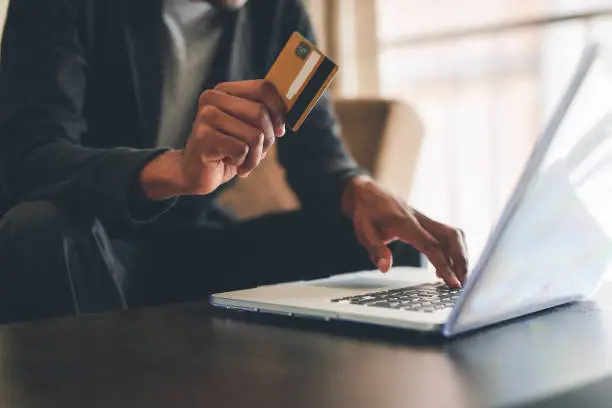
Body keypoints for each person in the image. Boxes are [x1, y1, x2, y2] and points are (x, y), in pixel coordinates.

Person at [0, 0, 467, 324]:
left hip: (197, 247)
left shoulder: (279, 12)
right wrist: (176, 170)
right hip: (93, 241)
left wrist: (357, 188)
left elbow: (318, 160)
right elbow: (32, 157)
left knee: (384, 250)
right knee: (40, 229)